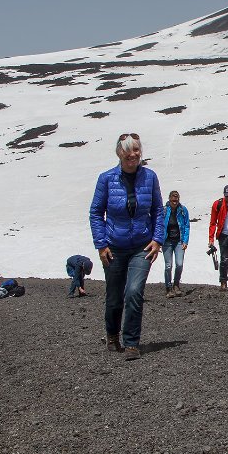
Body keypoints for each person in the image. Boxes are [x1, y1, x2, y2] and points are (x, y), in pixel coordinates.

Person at [89, 133, 164, 360]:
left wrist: (157, 239)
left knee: (133, 292)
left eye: (136, 151)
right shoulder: (106, 179)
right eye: (128, 152)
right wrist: (101, 244)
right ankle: (112, 335)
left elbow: (158, 211)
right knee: (114, 297)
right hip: (114, 247)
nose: (133, 156)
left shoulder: (150, 178)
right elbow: (95, 213)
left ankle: (131, 343)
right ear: (119, 154)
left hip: (141, 246)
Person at [161, 190, 190, 298]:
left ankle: (176, 284)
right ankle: (168, 287)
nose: (174, 202)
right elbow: (159, 225)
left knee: (179, 264)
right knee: (168, 265)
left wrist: (185, 241)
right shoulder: (164, 211)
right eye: (173, 200)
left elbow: (186, 225)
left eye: (176, 200)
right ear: (169, 199)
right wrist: (158, 241)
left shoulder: (182, 210)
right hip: (167, 241)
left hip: (179, 241)